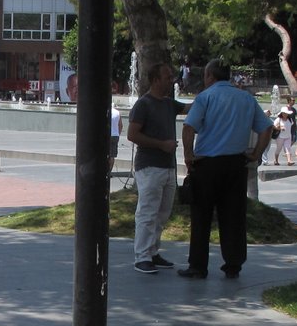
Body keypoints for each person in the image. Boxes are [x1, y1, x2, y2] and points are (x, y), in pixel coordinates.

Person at [179, 59, 272, 279]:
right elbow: (266, 128)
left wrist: (188, 156)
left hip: (207, 164)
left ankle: (198, 265)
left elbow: (188, 127)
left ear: (210, 76)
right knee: (234, 215)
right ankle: (233, 264)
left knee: (201, 215)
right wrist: (256, 154)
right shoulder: (246, 99)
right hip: (235, 164)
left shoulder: (205, 97)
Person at [128, 61, 180, 274]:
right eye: (167, 77)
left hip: (168, 167)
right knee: (148, 212)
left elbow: (190, 107)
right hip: (149, 166)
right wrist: (161, 144)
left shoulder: (169, 104)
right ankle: (142, 257)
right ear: (156, 79)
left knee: (162, 212)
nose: (171, 80)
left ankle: (153, 251)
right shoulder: (143, 104)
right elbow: (132, 135)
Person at [108, 101, 122, 176]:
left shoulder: (107, 112)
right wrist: (118, 134)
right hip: (115, 135)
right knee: (112, 155)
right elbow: (120, 125)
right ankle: (109, 172)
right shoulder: (118, 113)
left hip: (107, 135)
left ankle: (104, 171)